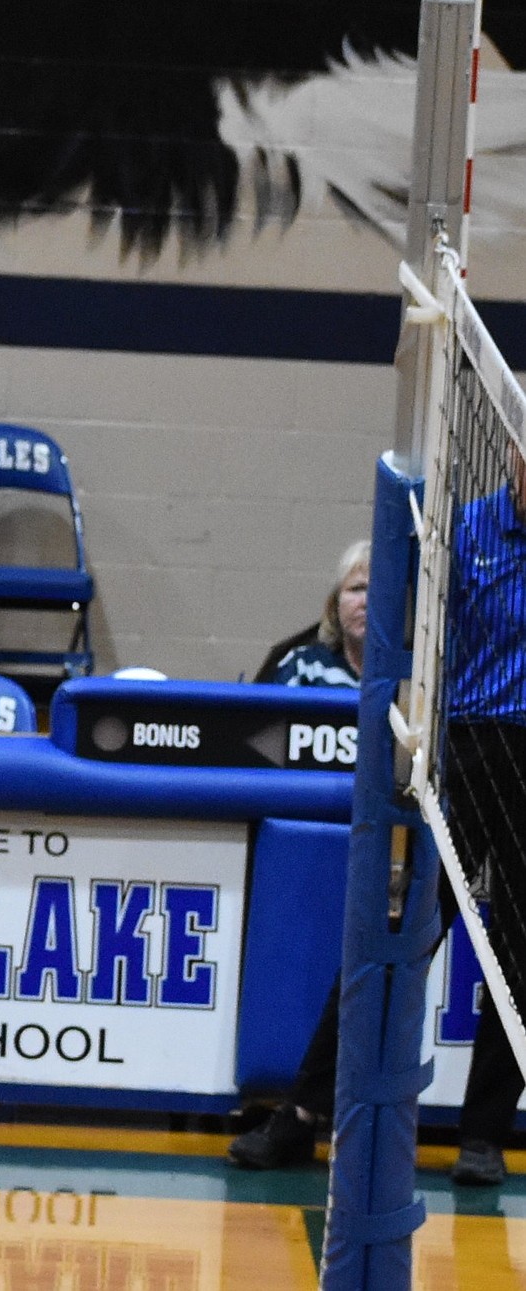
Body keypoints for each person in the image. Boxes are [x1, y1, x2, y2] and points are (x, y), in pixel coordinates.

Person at [230, 479, 526, 1184]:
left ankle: (483, 1136)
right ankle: (303, 1112)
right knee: (396, 933)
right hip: (466, 745)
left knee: (519, 954)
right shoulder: (465, 532)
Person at [260, 540, 369, 688]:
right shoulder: (304, 665)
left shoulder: (403, 675)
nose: (366, 602)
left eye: (379, 592)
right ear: (335, 603)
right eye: (356, 588)